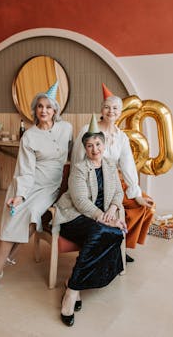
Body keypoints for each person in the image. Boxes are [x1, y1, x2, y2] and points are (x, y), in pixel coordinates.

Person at [0, 81, 73, 298]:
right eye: (40, 106)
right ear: (35, 110)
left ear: (55, 110)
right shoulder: (29, 136)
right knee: (12, 219)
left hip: (50, 186)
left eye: (48, 107)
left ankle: (2, 262)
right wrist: (20, 195)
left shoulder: (66, 129)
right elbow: (25, 169)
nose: (44, 110)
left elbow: (75, 154)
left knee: (33, 215)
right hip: (29, 182)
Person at [53, 115, 127, 326]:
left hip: (100, 219)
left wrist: (113, 210)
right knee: (103, 231)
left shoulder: (111, 165)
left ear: (103, 145)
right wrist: (105, 219)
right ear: (85, 148)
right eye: (89, 146)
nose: (94, 149)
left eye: (97, 144)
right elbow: (80, 201)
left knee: (112, 233)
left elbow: (118, 194)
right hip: (74, 217)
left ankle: (72, 286)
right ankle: (72, 293)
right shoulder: (79, 168)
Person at [71, 83, 155, 260]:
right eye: (107, 107)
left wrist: (135, 191)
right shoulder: (88, 130)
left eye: (116, 108)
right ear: (101, 109)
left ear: (121, 111)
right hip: (89, 182)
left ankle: (120, 244)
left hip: (113, 182)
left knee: (143, 205)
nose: (111, 111)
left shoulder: (121, 136)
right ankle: (111, 244)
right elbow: (77, 161)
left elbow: (128, 164)